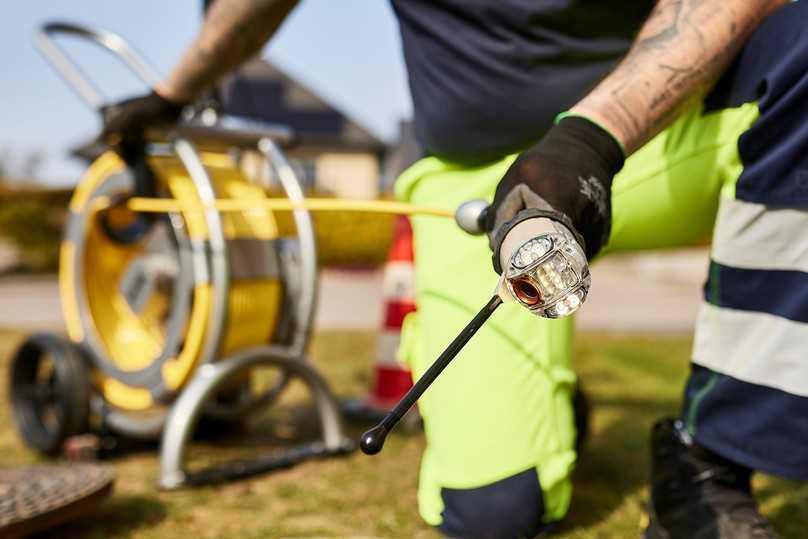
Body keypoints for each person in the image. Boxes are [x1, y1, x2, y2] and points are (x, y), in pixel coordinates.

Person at [102, 1, 807, 537]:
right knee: (494, 509)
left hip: (657, 138)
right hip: (467, 186)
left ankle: (706, 452)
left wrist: (591, 137)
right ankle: (533, 405)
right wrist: (171, 96)